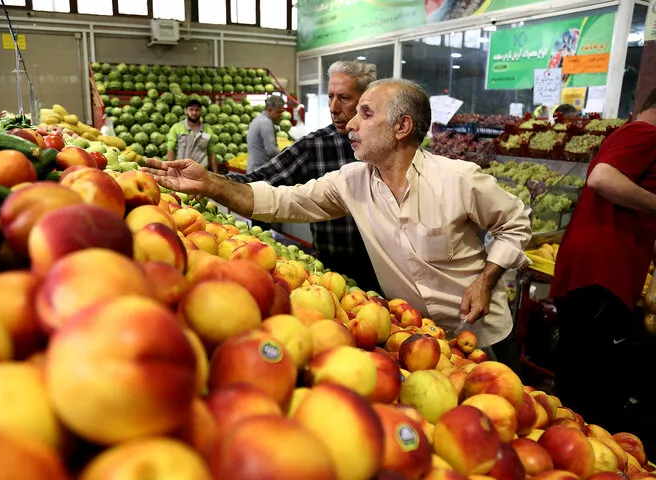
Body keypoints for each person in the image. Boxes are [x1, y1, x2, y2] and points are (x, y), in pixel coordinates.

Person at [142, 78, 532, 347]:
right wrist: (211, 183)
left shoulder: (458, 179)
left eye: (365, 113)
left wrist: (486, 280)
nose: (350, 125)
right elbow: (280, 201)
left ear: (401, 127)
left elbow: (515, 224)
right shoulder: (351, 181)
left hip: (486, 335)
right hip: (420, 338)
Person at [550, 88, 656, 439]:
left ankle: (564, 449)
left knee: (577, 383)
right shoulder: (645, 133)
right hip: (603, 278)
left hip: (593, 276)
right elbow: (602, 177)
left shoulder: (632, 134)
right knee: (593, 395)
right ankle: (580, 452)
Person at [227, 60, 381, 292]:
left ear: (366, 101)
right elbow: (259, 180)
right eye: (330, 97)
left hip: (379, 268)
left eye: (344, 98)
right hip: (331, 272)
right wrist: (210, 182)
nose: (333, 107)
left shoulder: (384, 146)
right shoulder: (314, 146)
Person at [166, 99, 217, 173]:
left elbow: (212, 153)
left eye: (197, 110)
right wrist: (171, 170)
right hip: (182, 172)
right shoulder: (177, 128)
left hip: (201, 172)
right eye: (191, 109)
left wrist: (216, 174)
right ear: (185, 111)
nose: (194, 112)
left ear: (201, 111)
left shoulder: (207, 130)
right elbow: (171, 150)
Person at [246, 95, 284, 174]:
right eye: (278, 112)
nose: (281, 114)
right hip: (259, 170)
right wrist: (285, 155)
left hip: (254, 167)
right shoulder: (266, 122)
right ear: (269, 110)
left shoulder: (258, 119)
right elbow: (271, 150)